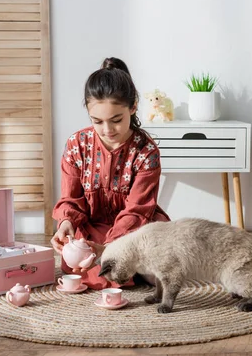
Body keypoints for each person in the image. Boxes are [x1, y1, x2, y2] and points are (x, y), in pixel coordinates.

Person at [51, 57, 170, 290]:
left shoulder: (146, 152)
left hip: (135, 228)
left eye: (116, 120)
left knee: (162, 272)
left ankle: (134, 268)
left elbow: (138, 209)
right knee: (88, 265)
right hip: (91, 228)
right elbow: (70, 199)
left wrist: (113, 247)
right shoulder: (77, 144)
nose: (107, 130)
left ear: (133, 106)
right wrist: (66, 222)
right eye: (97, 121)